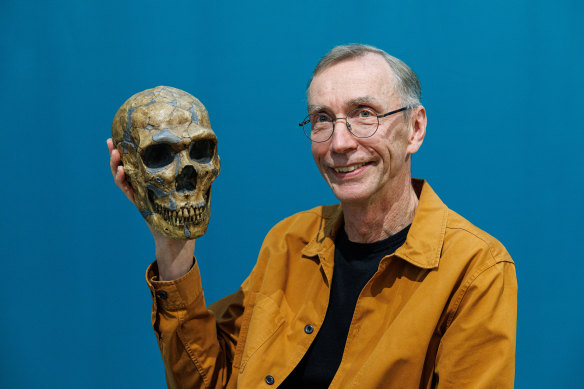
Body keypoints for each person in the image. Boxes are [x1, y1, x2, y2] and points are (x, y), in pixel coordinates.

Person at [108, 44, 517, 389]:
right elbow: (206, 379)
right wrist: (172, 242)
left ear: (414, 129)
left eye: (364, 114)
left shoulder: (476, 270)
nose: (339, 143)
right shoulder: (288, 241)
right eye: (322, 119)